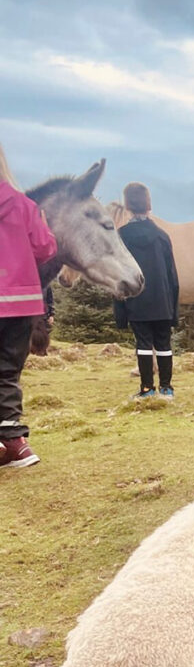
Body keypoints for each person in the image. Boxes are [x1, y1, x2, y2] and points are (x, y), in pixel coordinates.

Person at [0, 143, 57, 468]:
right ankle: (16, 443)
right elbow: (45, 248)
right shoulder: (24, 205)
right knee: (8, 372)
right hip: (21, 302)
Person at [113, 183, 179, 399]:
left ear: (127, 206)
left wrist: (120, 311)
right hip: (162, 302)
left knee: (143, 344)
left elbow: (118, 274)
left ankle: (146, 389)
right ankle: (167, 389)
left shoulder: (121, 236)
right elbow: (172, 276)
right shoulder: (162, 236)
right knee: (164, 344)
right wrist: (173, 309)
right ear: (148, 205)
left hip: (136, 301)